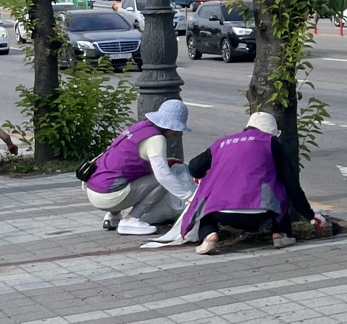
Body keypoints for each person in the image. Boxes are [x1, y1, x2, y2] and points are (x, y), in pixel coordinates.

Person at [169, 110, 318, 254]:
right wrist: (309, 215)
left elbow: (194, 168)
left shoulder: (221, 143)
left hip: (220, 212)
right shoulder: (270, 143)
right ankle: (280, 234)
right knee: (280, 185)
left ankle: (209, 235)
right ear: (272, 133)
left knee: (208, 200)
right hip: (261, 213)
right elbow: (291, 184)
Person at [86, 99, 194, 235]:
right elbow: (162, 175)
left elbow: (129, 160)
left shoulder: (140, 127)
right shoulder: (156, 139)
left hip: (93, 189)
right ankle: (131, 220)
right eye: (176, 130)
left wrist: (167, 161)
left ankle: (113, 216)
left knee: (123, 172)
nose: (177, 134)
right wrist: (188, 197)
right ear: (169, 126)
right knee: (164, 179)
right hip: (109, 197)